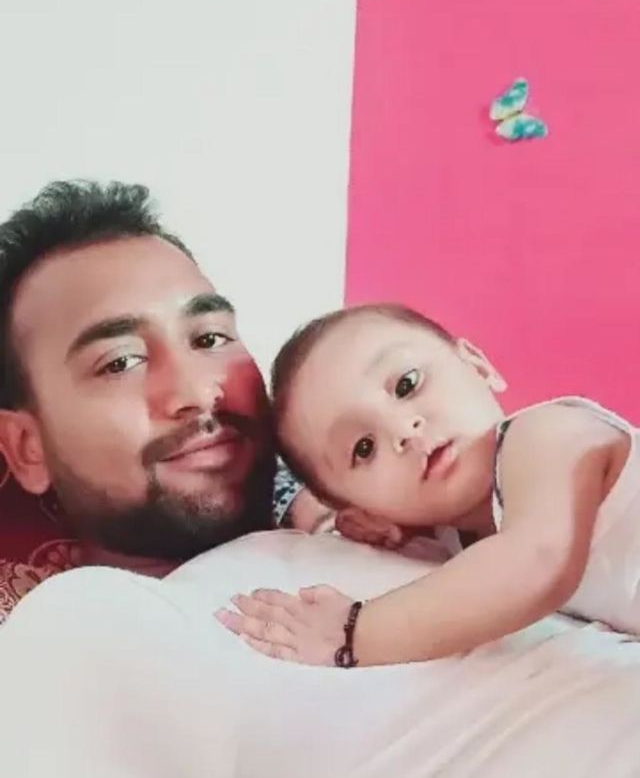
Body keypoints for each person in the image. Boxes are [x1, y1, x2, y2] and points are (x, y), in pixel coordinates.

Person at [217, 303, 640, 667]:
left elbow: (538, 561)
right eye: (364, 448)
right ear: (367, 514)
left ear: (477, 365)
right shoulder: (449, 541)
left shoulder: (546, 435)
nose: (403, 430)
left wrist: (355, 633)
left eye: (407, 385)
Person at [0, 179, 285, 589]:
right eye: (120, 363)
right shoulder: (48, 628)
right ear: (28, 449)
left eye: (210, 339)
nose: (197, 393)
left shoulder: (369, 532)